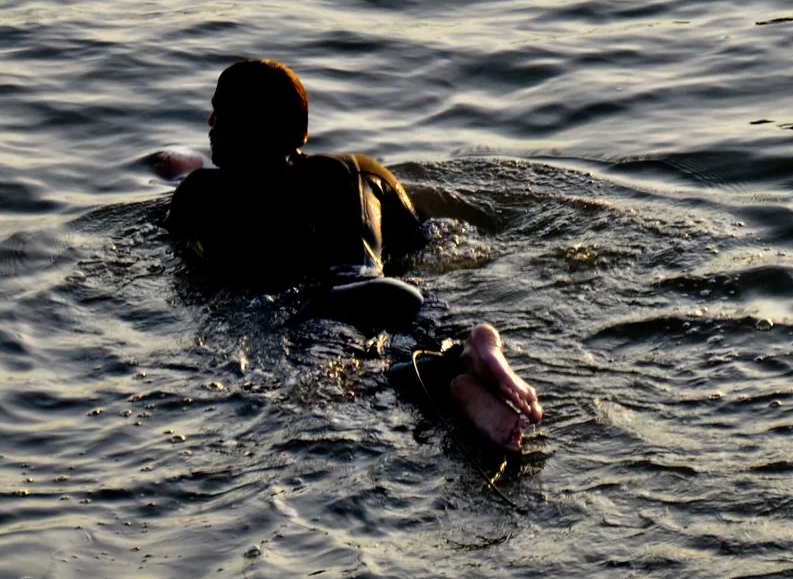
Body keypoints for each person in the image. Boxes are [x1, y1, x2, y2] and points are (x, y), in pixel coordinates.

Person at [150, 59, 543, 452]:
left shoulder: (203, 193)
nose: (210, 123)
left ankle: (452, 384)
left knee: (357, 385)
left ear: (242, 130)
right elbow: (426, 239)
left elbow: (191, 267)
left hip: (320, 310)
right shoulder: (363, 170)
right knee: (430, 339)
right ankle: (470, 353)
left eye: (220, 113)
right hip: (399, 293)